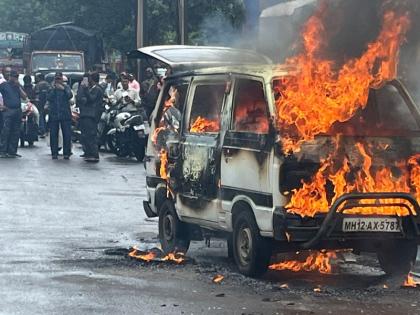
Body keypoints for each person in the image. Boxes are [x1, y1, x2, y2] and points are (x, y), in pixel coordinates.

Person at [0, 69, 28, 158]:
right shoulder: (4, 85)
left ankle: (12, 151)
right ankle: (3, 151)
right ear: (10, 77)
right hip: (8, 111)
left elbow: (24, 97)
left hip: (17, 110)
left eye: (17, 77)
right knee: (6, 131)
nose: (16, 78)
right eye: (14, 77)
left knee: (16, 131)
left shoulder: (17, 86)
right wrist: (1, 106)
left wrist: (18, 86)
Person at [77, 72, 103, 162]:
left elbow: (91, 99)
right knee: (85, 134)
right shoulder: (90, 88)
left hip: (92, 114)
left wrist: (86, 90)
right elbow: (81, 99)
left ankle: (94, 153)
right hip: (86, 113)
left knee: (91, 135)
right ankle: (88, 152)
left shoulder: (97, 89)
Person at [46, 72, 72, 160]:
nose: (58, 80)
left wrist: (63, 89)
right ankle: (54, 153)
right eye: (56, 79)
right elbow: (48, 98)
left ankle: (67, 153)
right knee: (53, 135)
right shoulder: (51, 88)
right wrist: (54, 89)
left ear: (62, 79)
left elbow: (70, 95)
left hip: (65, 114)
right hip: (54, 114)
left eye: (59, 79)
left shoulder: (66, 87)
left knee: (67, 134)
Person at [34, 73, 51, 137]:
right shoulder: (48, 85)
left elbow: (36, 94)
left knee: (41, 116)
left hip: (40, 103)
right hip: (48, 103)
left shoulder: (38, 85)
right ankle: (48, 129)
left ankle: (42, 130)